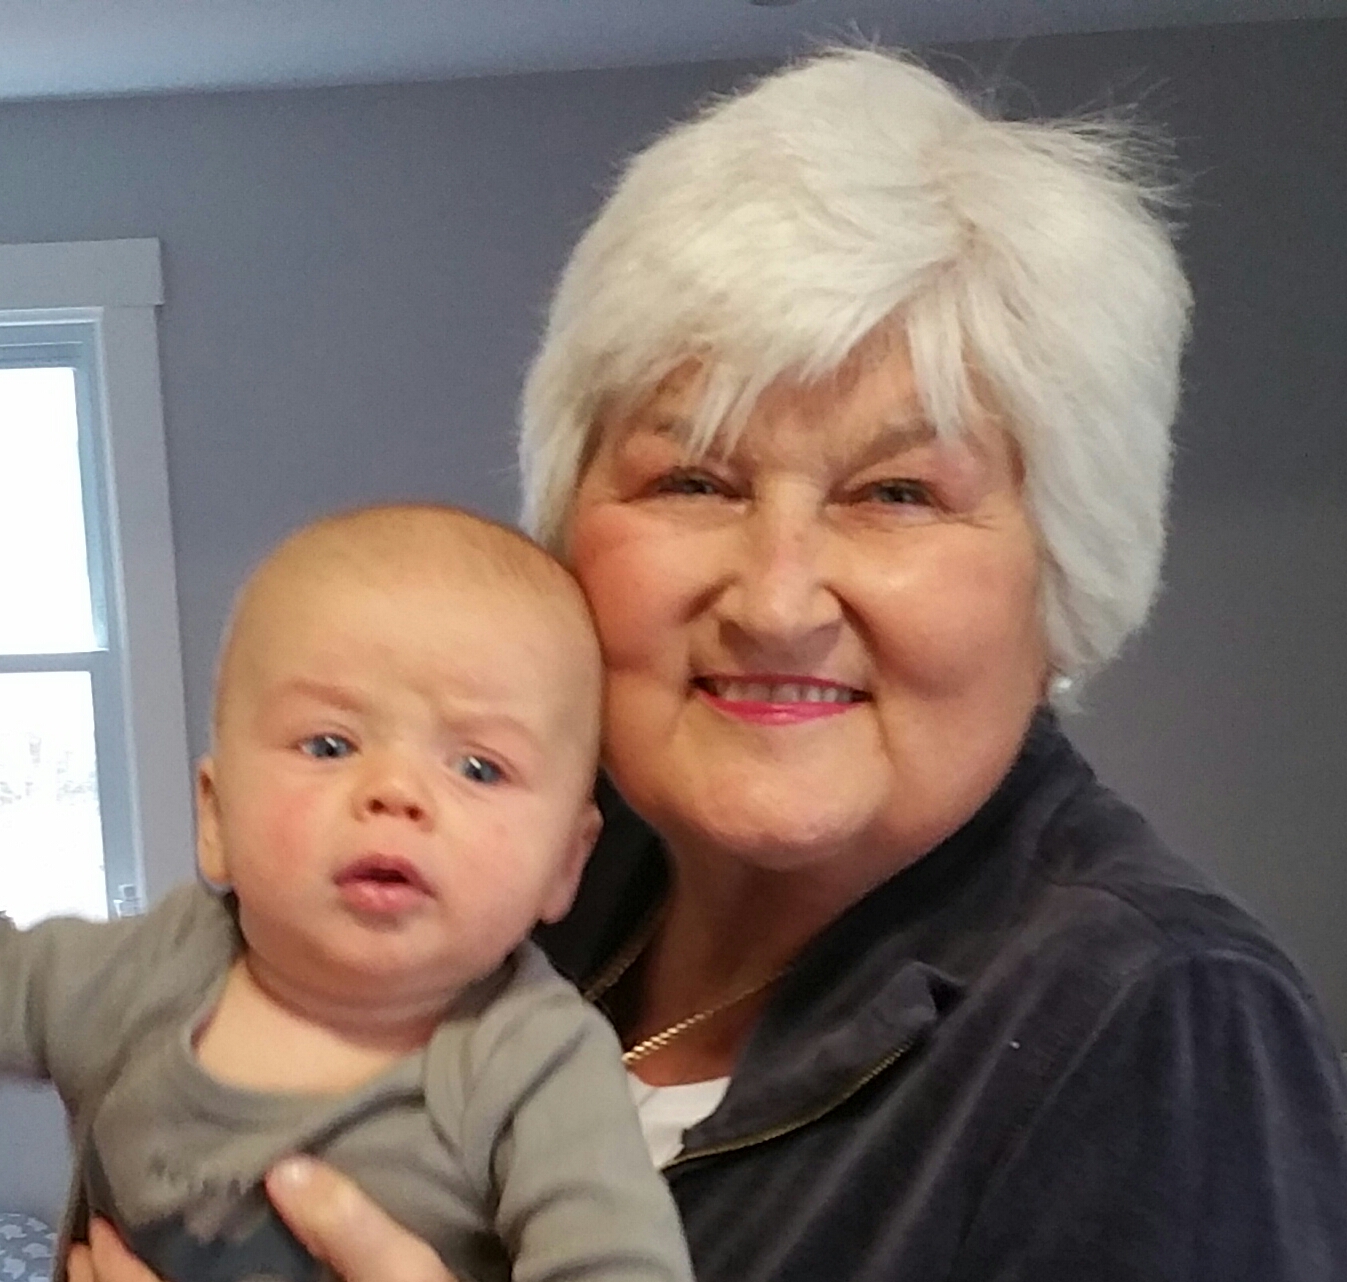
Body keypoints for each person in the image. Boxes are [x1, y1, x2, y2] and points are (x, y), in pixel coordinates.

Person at [69, 45, 1347, 1282]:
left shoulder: (1161, 1025)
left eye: (897, 492)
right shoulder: (505, 856)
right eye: (693, 479)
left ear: (1067, 562)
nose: (777, 599)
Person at [1, 505, 693, 1282]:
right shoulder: (136, 973)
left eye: (478, 767)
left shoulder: (539, 1065)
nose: (395, 791)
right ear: (216, 817)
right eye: (329, 745)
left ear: (566, 864)